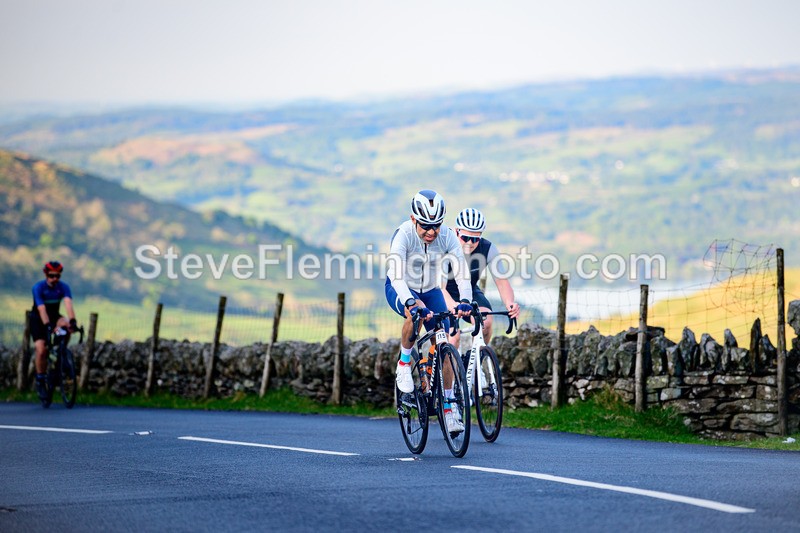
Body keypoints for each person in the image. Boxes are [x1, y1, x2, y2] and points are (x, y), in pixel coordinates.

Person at [385, 190, 473, 433]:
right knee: (414, 314)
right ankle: (404, 364)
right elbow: (395, 275)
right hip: (401, 287)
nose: (432, 232)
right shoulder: (403, 234)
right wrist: (411, 302)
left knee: (444, 343)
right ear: (414, 219)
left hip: (432, 290)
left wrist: (465, 300)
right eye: (426, 226)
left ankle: (449, 409)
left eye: (436, 225)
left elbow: (462, 271)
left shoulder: (446, 237)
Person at [443, 208, 520, 346]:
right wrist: (454, 306)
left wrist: (510, 304)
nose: (470, 243)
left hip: (469, 292)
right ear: (456, 231)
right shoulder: (444, 245)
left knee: (486, 322)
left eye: (475, 239)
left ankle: (477, 361)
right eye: (465, 238)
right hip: (442, 292)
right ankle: (452, 366)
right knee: (453, 337)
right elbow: (438, 287)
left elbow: (502, 282)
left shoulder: (488, 248)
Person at [31, 261, 78, 401]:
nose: (54, 279)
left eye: (57, 276)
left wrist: (73, 321)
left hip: (54, 315)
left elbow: (68, 304)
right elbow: (41, 309)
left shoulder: (63, 287)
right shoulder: (38, 287)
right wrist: (47, 326)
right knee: (41, 350)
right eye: (51, 276)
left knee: (67, 325)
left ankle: (61, 352)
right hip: (38, 319)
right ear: (46, 275)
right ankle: (40, 380)